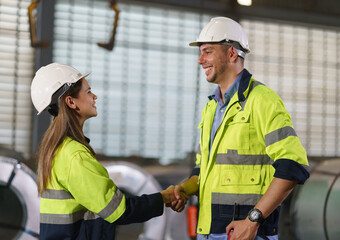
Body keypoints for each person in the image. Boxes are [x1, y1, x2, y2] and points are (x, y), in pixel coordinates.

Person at [169, 17, 310, 240]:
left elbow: (293, 165)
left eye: (207, 51)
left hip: (247, 233)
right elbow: (203, 168)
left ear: (232, 54)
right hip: (210, 231)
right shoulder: (211, 108)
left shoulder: (263, 101)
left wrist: (253, 219)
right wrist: (184, 189)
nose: (200, 60)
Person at [30, 63, 185, 240]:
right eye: (88, 92)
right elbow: (119, 210)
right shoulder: (74, 155)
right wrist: (164, 197)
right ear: (70, 102)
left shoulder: (59, 150)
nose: (95, 96)